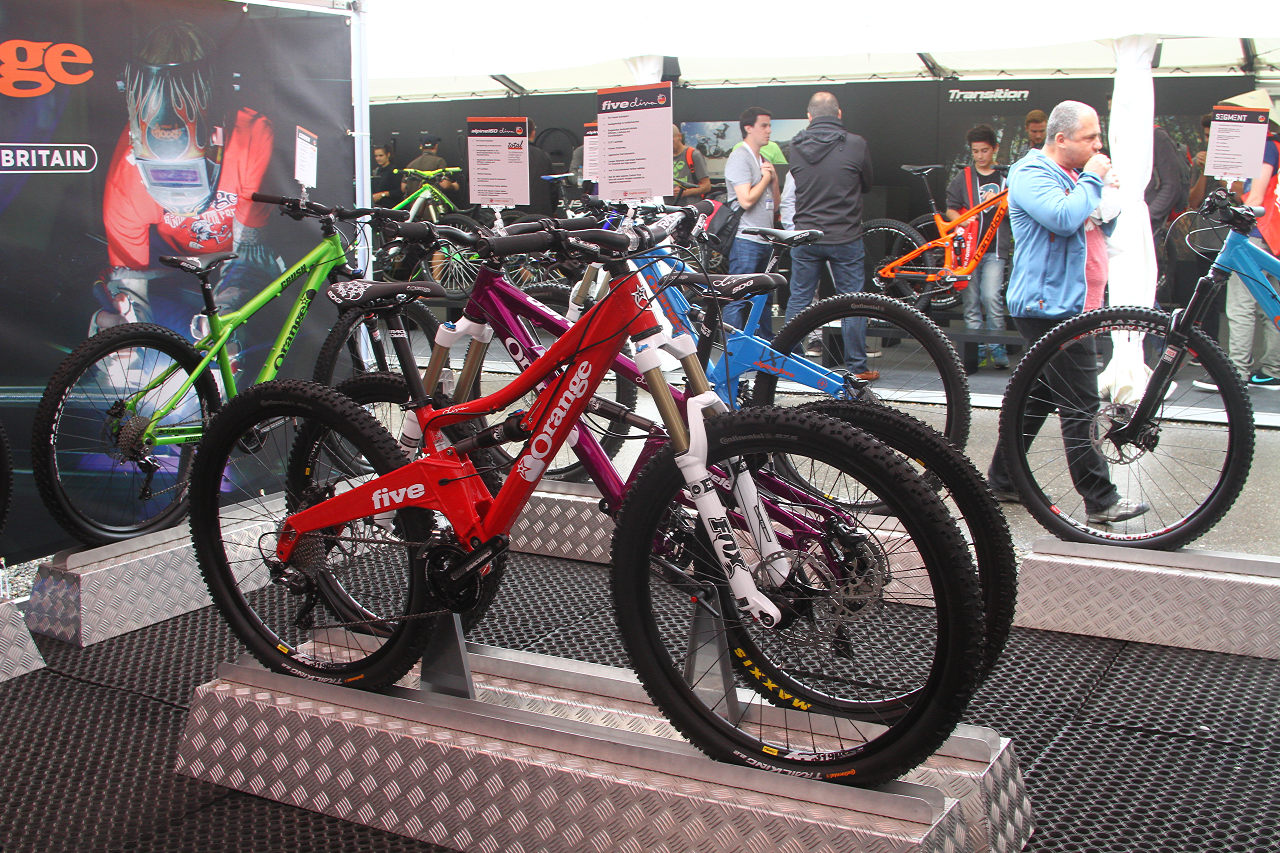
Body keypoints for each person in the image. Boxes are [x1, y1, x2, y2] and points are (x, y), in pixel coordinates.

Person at [987, 99, 1150, 524]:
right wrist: (1093, 180)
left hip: (1073, 305)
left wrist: (1104, 190)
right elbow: (1062, 218)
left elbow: (1098, 221)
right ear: (1061, 139)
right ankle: (1101, 500)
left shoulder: (1075, 175)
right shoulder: (1031, 173)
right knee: (1081, 404)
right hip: (1051, 308)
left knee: (1040, 396)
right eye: (1089, 137)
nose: (1098, 145)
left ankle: (1002, 479)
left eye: (1098, 137)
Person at [97, 20, 279, 370]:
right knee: (117, 325)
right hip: (174, 271)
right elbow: (131, 279)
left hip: (235, 262)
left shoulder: (251, 136)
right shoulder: (127, 175)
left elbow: (251, 254)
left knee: (242, 337)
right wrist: (125, 329)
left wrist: (226, 312)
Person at [781, 91, 877, 381]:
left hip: (806, 234)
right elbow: (867, 184)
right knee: (852, 302)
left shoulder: (794, 146)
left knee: (799, 299)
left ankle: (789, 362)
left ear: (809, 117)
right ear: (839, 114)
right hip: (845, 234)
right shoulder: (857, 144)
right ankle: (857, 368)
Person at [1208, 121, 1280, 389]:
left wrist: (1236, 217)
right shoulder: (1276, 145)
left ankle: (1236, 372)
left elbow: (1256, 197)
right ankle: (1272, 369)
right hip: (1275, 236)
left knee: (1241, 306)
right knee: (1271, 303)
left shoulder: (1266, 147)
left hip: (1258, 234)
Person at [945, 124, 1010, 372]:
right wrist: (962, 220)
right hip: (968, 250)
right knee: (971, 301)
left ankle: (997, 348)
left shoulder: (1006, 178)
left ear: (994, 149)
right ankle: (977, 350)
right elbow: (950, 209)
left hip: (995, 249)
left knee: (991, 297)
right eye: (975, 151)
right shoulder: (964, 177)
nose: (980, 156)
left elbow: (1016, 211)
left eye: (984, 150)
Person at [721, 107, 780, 337]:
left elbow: (774, 205)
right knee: (737, 297)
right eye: (763, 125)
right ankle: (731, 349)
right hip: (746, 239)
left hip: (765, 239)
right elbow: (745, 200)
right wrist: (766, 178)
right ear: (748, 128)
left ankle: (762, 349)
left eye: (770, 125)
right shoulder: (740, 157)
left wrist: (773, 179)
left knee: (763, 299)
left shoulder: (762, 159)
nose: (769, 130)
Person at [401, 132, 458, 199]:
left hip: (414, 204)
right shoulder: (439, 161)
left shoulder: (411, 164)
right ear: (436, 146)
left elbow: (403, 188)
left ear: (421, 146)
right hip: (432, 203)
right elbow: (445, 185)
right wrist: (454, 186)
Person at [669, 124, 711, 204]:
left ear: (679, 137)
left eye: (671, 141)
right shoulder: (662, 158)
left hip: (690, 207)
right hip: (668, 207)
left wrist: (685, 192)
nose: (669, 144)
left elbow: (706, 186)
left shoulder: (693, 155)